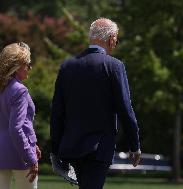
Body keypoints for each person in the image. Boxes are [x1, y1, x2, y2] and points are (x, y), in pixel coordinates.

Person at [50, 18, 141, 189]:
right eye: (116, 38)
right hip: (99, 148)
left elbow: (57, 112)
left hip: (72, 146)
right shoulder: (114, 66)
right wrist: (134, 145)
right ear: (111, 38)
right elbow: (125, 109)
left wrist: (55, 151)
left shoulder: (67, 66)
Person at [0, 42, 41, 189]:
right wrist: (31, 158)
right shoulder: (20, 91)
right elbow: (16, 128)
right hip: (20, 154)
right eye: (28, 64)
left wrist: (33, 143)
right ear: (17, 67)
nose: (30, 68)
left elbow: (3, 122)